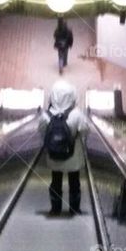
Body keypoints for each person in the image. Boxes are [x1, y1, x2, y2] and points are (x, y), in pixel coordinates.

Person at [39, 79, 88, 216]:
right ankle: (74, 209)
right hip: (73, 156)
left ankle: (55, 209)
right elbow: (85, 130)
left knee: (55, 181)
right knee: (74, 182)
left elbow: (42, 131)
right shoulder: (76, 114)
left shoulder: (47, 115)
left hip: (54, 155)